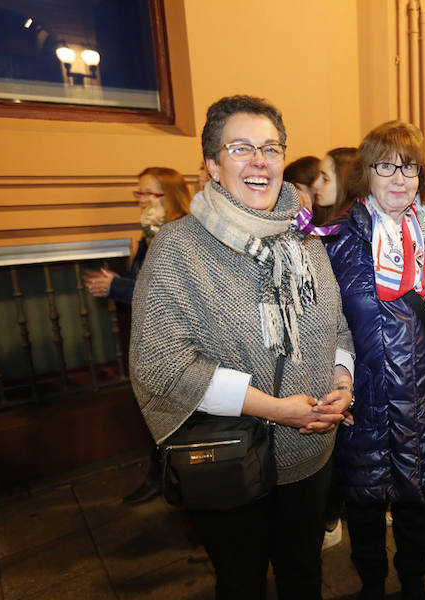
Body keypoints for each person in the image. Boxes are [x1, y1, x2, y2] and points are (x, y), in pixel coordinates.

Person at [130, 95, 355, 600]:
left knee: (304, 576)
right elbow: (162, 366)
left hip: (310, 452)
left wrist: (343, 384)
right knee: (240, 582)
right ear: (211, 165)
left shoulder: (306, 240)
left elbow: (337, 327)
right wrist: (277, 410)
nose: (260, 160)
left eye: (271, 148)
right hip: (226, 458)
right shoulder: (177, 248)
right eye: (241, 148)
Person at [324, 120, 425, 600]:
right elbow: (325, 323)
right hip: (363, 396)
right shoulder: (336, 237)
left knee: (416, 501)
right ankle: (371, 584)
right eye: (386, 166)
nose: (399, 178)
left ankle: (414, 581)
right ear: (365, 174)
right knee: (365, 505)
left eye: (410, 168)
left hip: (424, 392)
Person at [84, 166, 192, 505]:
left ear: (170, 196)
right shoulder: (151, 232)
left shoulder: (180, 233)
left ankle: (183, 488)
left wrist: (115, 285)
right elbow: (143, 281)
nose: (142, 200)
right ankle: (161, 476)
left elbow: (164, 291)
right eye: (139, 193)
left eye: (149, 193)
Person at [312, 147, 358, 225]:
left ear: (348, 183)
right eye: (317, 176)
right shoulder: (323, 216)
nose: (315, 184)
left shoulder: (351, 229)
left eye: (325, 179)